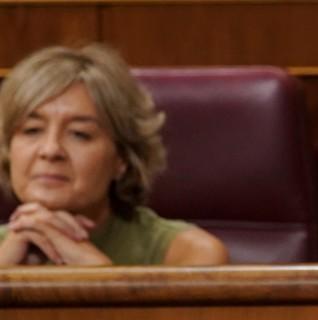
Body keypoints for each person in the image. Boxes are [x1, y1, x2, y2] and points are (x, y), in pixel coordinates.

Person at [0, 44, 226, 267]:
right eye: (32, 130)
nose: (50, 150)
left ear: (122, 158)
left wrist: (97, 273)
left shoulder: (191, 255)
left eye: (80, 134)